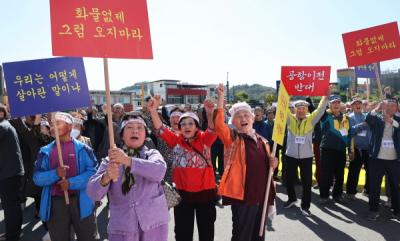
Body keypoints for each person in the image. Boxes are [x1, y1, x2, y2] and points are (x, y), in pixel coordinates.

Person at [87, 114, 169, 241]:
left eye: (140, 128)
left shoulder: (152, 154)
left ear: (145, 135)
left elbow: (159, 172)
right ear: (122, 135)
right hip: (122, 226)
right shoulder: (111, 160)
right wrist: (106, 177)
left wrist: (127, 160)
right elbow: (93, 193)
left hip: (154, 223)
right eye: (129, 127)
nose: (135, 130)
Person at [148, 95, 217, 241]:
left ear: (197, 126)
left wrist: (210, 113)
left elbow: (212, 128)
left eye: (191, 123)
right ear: (179, 128)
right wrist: (153, 111)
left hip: (206, 194)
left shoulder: (205, 139)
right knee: (182, 233)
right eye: (183, 124)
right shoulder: (176, 140)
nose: (187, 126)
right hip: (182, 195)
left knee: (207, 232)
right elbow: (160, 128)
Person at [214, 84, 277, 241]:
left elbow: (268, 168)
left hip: (261, 194)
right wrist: (221, 97)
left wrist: (273, 163)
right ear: (233, 121)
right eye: (239, 116)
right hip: (242, 195)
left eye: (246, 115)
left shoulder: (263, 141)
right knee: (242, 235)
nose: (243, 118)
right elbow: (219, 125)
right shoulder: (233, 138)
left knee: (259, 233)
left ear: (253, 117)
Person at [33, 112, 97, 241]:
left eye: (57, 123)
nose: (53, 127)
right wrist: (55, 174)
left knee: (87, 237)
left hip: (82, 201)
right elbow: (37, 177)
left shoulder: (84, 149)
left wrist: (71, 183)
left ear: (69, 126)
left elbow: (93, 172)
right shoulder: (45, 151)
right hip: (55, 203)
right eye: (51, 124)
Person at [283, 91, 328, 216]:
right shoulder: (290, 119)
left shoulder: (311, 120)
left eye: (304, 108)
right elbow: (283, 106)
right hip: (290, 155)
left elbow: (320, 110)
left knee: (307, 183)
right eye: (299, 108)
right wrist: (284, 93)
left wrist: (325, 96)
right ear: (295, 110)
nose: (301, 111)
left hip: (306, 157)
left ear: (307, 109)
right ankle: (292, 199)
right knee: (289, 180)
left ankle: (305, 206)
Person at [363, 99, 400, 221]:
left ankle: (397, 210)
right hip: (377, 159)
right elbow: (368, 120)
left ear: (397, 108)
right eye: (388, 105)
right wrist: (377, 108)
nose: (390, 108)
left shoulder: (398, 120)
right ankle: (373, 210)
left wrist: (392, 122)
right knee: (374, 185)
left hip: (394, 160)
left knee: (395, 186)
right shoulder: (377, 118)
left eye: (393, 106)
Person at [319, 95, 352, 203]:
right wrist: (325, 96)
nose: (336, 105)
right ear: (329, 105)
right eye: (333, 103)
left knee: (340, 174)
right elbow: (320, 108)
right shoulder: (325, 115)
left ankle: (337, 194)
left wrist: (351, 150)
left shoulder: (346, 118)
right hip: (327, 149)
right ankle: (324, 195)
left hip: (341, 150)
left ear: (341, 104)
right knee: (326, 174)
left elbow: (349, 135)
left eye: (338, 103)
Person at [0, 104, 24, 241]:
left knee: (10, 207)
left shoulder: (2, 127)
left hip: (8, 173)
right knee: (13, 206)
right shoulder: (6, 125)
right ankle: (14, 232)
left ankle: (12, 236)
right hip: (13, 172)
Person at [346, 98, 370, 199]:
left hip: (368, 149)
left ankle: (367, 190)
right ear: (351, 106)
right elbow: (350, 131)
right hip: (355, 148)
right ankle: (351, 192)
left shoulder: (367, 116)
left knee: (370, 171)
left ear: (362, 105)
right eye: (355, 104)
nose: (357, 105)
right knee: (354, 171)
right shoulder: (349, 117)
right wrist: (362, 125)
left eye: (359, 103)